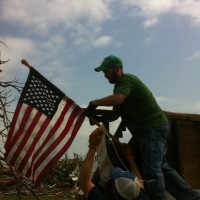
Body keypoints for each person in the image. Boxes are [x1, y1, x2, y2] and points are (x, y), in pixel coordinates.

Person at [85, 55, 200, 200]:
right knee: (162, 168)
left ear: (117, 69)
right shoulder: (119, 87)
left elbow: (119, 99)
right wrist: (99, 119)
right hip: (150, 130)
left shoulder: (127, 80)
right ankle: (191, 198)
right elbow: (116, 114)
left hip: (154, 128)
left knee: (151, 169)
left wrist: (94, 103)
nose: (105, 75)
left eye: (106, 71)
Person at [78, 125, 150, 200]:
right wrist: (130, 159)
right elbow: (140, 182)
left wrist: (93, 147)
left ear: (116, 193)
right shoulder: (140, 196)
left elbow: (84, 181)